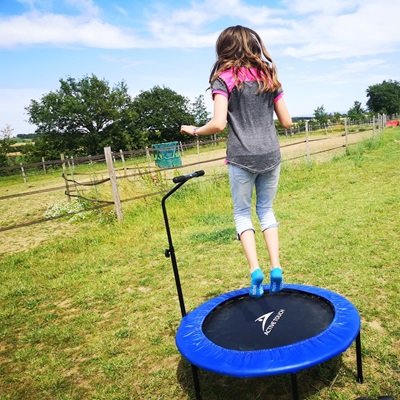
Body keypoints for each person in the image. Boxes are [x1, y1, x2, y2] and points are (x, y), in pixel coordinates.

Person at [181, 25, 292, 298]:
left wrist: (195, 130)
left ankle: (255, 270)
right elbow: (288, 122)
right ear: (253, 45)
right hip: (271, 155)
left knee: (242, 214)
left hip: (241, 158)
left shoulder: (224, 78)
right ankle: (276, 266)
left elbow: (218, 124)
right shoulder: (268, 76)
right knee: (266, 210)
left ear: (224, 48)